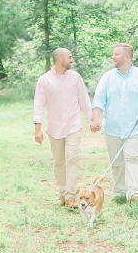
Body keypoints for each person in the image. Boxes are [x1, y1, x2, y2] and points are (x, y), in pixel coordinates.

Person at [90, 43, 138, 203]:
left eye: (116, 54)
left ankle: (134, 194)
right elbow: (99, 100)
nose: (113, 57)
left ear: (127, 57)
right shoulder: (107, 77)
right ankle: (120, 192)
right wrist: (96, 119)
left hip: (135, 129)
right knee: (117, 163)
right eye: (113, 54)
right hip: (112, 129)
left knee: (132, 159)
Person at [33, 48, 93, 208]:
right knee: (59, 162)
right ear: (60, 59)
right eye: (69, 57)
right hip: (54, 127)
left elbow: (84, 100)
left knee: (72, 158)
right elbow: (38, 105)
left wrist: (92, 119)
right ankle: (62, 194)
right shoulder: (44, 80)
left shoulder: (75, 78)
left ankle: (71, 196)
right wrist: (37, 128)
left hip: (74, 125)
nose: (72, 60)